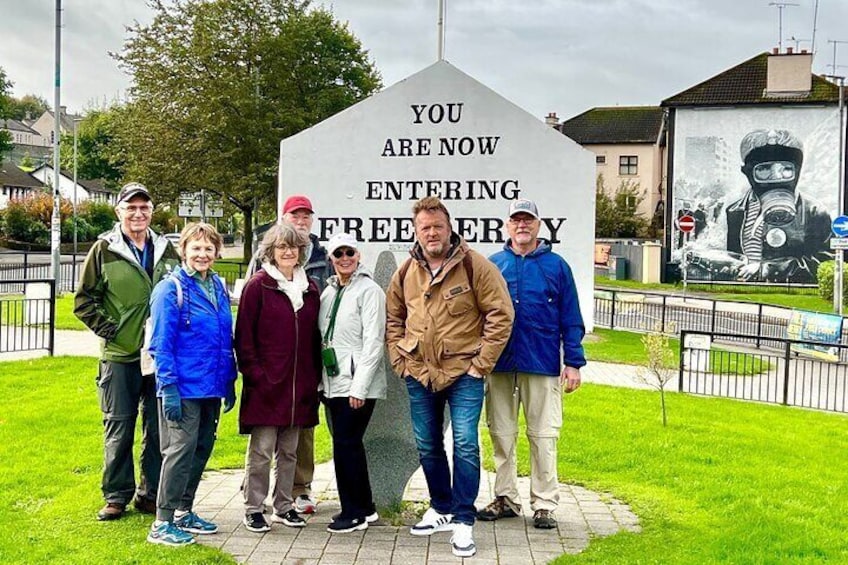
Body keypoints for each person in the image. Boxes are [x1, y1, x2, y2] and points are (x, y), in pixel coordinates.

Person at [385, 196, 514, 558]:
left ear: (449, 227)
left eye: (437, 226)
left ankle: (463, 518)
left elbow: (500, 316)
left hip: (465, 373)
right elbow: (393, 317)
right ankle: (441, 506)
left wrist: (481, 365)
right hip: (419, 373)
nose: (431, 233)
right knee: (427, 443)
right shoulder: (407, 270)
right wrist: (401, 360)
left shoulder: (476, 266)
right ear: (416, 231)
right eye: (424, 227)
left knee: (465, 444)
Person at [74, 182, 180, 521]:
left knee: (157, 428)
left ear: (151, 211)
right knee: (119, 427)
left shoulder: (167, 250)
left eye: (144, 207)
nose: (138, 213)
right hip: (120, 358)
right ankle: (116, 495)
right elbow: (83, 301)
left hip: (158, 356)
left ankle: (150, 494)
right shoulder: (104, 249)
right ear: (119, 211)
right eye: (131, 207)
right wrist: (113, 331)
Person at [479, 198, 586, 530]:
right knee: (501, 433)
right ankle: (506, 497)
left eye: (528, 220)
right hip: (499, 363)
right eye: (516, 220)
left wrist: (573, 362)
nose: (522, 225)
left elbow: (571, 317)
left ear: (539, 225)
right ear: (507, 226)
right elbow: (478, 314)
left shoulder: (557, 266)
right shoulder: (494, 264)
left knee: (543, 435)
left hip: (541, 363)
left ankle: (544, 503)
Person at [146, 223, 237, 546]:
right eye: (196, 248)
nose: (202, 254)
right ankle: (162, 522)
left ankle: (184, 511)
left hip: (211, 385)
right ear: (184, 250)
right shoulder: (170, 289)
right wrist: (167, 386)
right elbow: (161, 343)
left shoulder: (216, 285)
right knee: (179, 452)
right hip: (183, 387)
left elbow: (225, 336)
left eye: (208, 248)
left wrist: (229, 379)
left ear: (216, 252)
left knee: (201, 449)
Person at [235, 223, 322, 533]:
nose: (288, 252)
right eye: (281, 247)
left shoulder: (310, 289)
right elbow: (244, 338)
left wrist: (313, 380)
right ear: (270, 252)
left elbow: (313, 338)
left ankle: (283, 506)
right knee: (261, 451)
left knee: (290, 451)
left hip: (299, 386)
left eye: (293, 247)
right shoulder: (258, 286)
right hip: (266, 385)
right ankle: (254, 507)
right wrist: (257, 376)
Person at [318, 232, 387, 533]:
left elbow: (374, 342)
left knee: (346, 445)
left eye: (350, 253)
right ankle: (366, 507)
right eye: (338, 254)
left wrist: (360, 387)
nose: (344, 259)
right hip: (333, 382)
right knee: (348, 444)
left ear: (358, 256)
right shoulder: (329, 292)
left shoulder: (369, 291)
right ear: (331, 259)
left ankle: (353, 512)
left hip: (356, 383)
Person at [726, 129, 832, 283]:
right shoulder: (735, 211)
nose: (775, 177)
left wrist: (769, 270)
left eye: (786, 169)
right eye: (763, 169)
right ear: (747, 172)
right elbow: (732, 257)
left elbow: (827, 261)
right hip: (743, 291)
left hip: (789, 293)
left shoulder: (814, 211)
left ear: (797, 171)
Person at [281, 195, 331, 515]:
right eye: (295, 215)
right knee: (267, 421)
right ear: (284, 217)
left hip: (313, 353)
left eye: (306, 216)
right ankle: (265, 481)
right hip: (278, 352)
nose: (301, 221)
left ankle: (300, 487)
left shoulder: (325, 257)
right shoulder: (268, 254)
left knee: (305, 424)